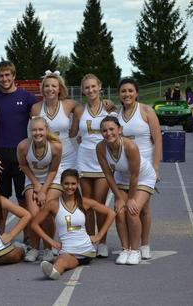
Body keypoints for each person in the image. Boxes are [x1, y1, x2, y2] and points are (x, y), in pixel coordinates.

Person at [31, 169, 115, 279]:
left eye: (73, 184)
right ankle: (55, 271)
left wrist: (99, 235)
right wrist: (51, 241)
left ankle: (54, 270)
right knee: (63, 259)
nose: (70, 187)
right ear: (61, 184)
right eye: (66, 183)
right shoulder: (53, 204)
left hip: (85, 250)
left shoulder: (84, 202)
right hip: (67, 250)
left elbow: (111, 213)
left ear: (78, 184)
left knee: (62, 260)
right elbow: (34, 224)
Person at [96, 116, 157, 265]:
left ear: (120, 130)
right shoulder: (100, 148)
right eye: (104, 130)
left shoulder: (130, 146)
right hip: (122, 179)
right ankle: (125, 249)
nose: (108, 133)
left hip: (143, 178)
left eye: (112, 129)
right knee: (119, 211)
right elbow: (108, 175)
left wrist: (130, 199)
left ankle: (136, 250)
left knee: (132, 210)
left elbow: (135, 175)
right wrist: (118, 198)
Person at [68, 74, 116, 258]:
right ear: (82, 90)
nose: (91, 90)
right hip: (84, 160)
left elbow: (118, 131)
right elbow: (72, 132)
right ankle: (89, 241)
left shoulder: (109, 108)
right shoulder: (80, 110)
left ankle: (101, 241)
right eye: (87, 87)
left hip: (102, 161)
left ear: (100, 87)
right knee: (86, 205)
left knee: (99, 203)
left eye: (93, 86)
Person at [0, 60, 37, 234]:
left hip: (21, 155)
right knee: (1, 200)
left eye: (8, 75)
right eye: (1, 75)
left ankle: (29, 238)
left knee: (24, 200)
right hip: (0, 155)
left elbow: (43, 116)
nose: (4, 78)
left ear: (14, 76)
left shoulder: (27, 97)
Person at [116, 78, 161, 259]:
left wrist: (156, 167)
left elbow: (157, 140)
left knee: (142, 209)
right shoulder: (116, 113)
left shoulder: (146, 111)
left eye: (130, 91)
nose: (127, 94)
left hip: (144, 169)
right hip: (124, 171)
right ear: (119, 94)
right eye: (123, 91)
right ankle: (127, 247)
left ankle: (144, 244)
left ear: (137, 93)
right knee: (123, 210)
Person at [17, 116, 62, 262]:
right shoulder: (23, 146)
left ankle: (49, 248)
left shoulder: (56, 146)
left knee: (46, 212)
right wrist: (36, 184)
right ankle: (35, 248)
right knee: (33, 213)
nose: (37, 133)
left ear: (46, 129)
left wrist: (43, 191)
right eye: (34, 130)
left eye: (40, 129)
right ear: (30, 131)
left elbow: (53, 171)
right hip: (32, 179)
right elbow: (23, 165)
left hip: (51, 179)